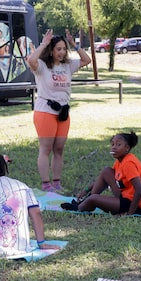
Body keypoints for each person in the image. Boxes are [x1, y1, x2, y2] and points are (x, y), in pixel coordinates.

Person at [27, 29, 91, 192]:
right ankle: (46, 184)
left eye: (64, 49)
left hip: (63, 111)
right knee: (46, 148)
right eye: (58, 49)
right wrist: (43, 44)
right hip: (46, 111)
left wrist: (74, 45)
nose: (62, 52)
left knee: (59, 148)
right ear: (51, 50)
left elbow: (86, 59)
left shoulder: (68, 66)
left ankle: (56, 182)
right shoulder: (41, 66)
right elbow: (31, 60)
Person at [61, 131, 141, 215]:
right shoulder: (120, 161)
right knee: (107, 171)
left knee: (94, 199)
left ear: (127, 148)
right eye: (113, 144)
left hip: (137, 205)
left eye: (118, 145)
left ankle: (79, 208)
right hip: (126, 196)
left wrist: (129, 213)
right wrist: (86, 190)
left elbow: (140, 189)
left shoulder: (129, 163)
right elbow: (105, 179)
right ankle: (85, 201)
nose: (114, 147)